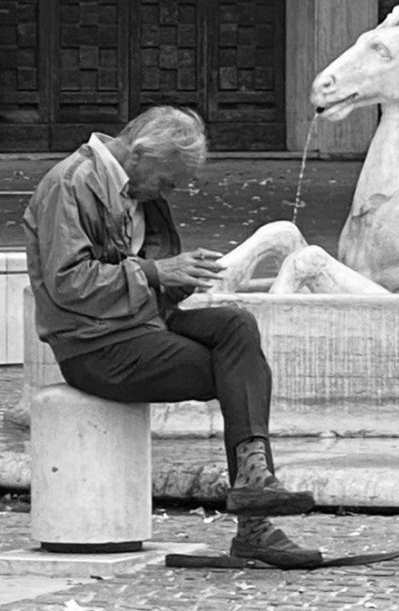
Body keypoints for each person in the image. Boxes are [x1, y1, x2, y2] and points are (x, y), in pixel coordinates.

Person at [22, 105, 321, 568]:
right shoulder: (71, 182)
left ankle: (254, 483)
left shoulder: (140, 192)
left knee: (236, 324)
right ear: (140, 154)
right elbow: (68, 284)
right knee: (235, 375)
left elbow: (158, 277)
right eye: (167, 180)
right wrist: (157, 271)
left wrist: (186, 273)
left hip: (143, 325)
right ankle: (255, 524)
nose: (169, 191)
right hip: (95, 346)